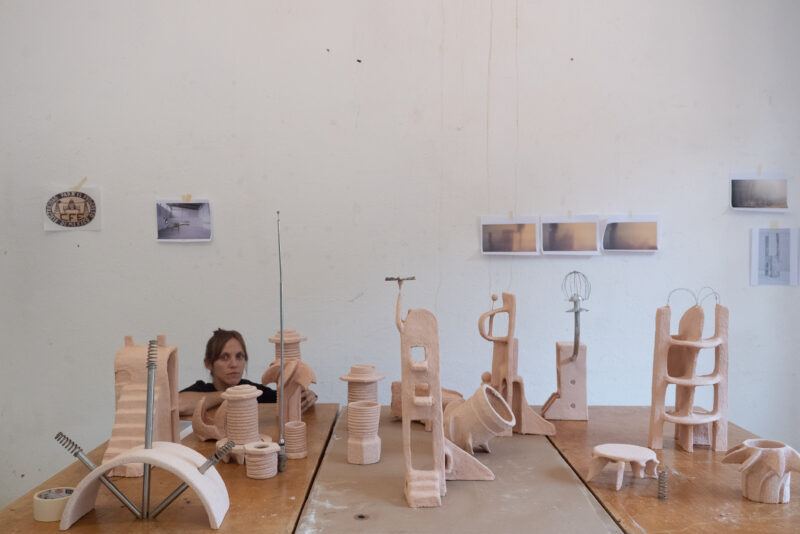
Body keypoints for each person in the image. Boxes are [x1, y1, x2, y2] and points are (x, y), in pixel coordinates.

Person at [179, 328, 317, 416]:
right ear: (208, 364)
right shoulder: (201, 389)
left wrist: (308, 397)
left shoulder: (253, 390)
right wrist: (230, 395)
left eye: (239, 357)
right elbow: (179, 405)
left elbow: (286, 400)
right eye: (224, 357)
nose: (234, 364)